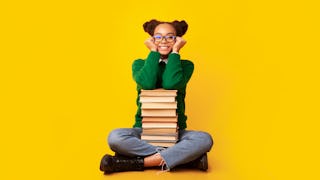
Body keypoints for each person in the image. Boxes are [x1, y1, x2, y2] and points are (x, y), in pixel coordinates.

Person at [100, 19, 214, 174]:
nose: (164, 41)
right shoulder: (139, 64)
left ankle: (137, 162)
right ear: (152, 39)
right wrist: (153, 52)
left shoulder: (185, 65)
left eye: (170, 37)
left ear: (177, 40)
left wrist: (175, 52)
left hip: (176, 132)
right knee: (115, 137)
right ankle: (186, 158)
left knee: (205, 139)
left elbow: (171, 83)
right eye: (158, 37)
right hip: (143, 130)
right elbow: (147, 83)